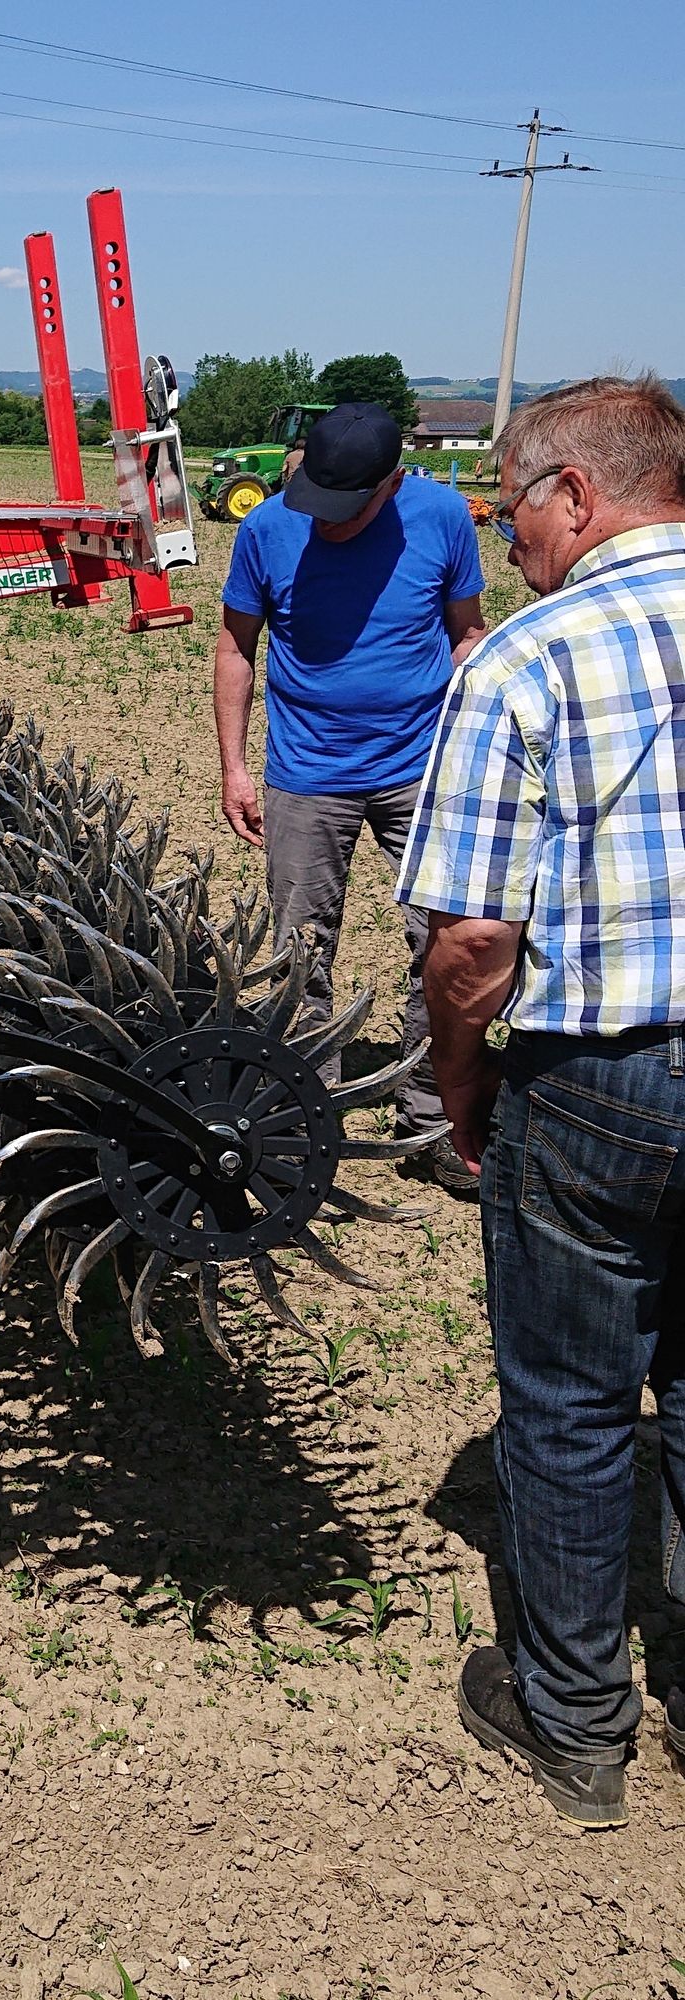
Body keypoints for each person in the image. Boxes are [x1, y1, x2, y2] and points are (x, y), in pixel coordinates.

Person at [398, 375, 685, 1828]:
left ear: (575, 494)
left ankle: (575, 1726)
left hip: (603, 1079)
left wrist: (462, 1093)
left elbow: (469, 948)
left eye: (510, 513)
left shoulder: (528, 658)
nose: (505, 544)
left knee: (572, 1401)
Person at [214, 400, 485, 1182]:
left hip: (423, 770)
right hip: (307, 773)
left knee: (446, 945)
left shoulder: (441, 518)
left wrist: (478, 749)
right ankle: (305, 1122)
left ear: (394, 481)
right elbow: (237, 647)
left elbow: (466, 634)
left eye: (348, 508)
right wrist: (234, 765)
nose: (325, 523)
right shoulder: (266, 527)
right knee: (301, 950)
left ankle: (433, 1118)